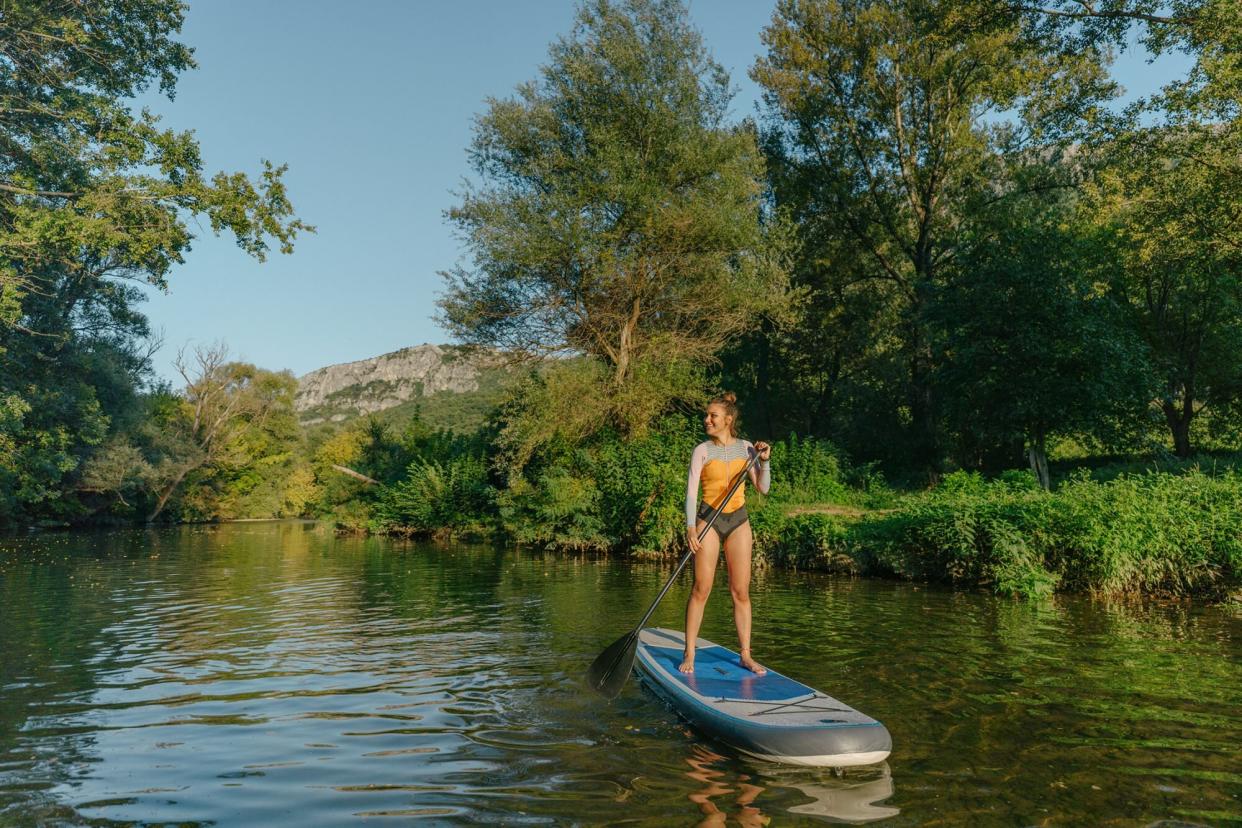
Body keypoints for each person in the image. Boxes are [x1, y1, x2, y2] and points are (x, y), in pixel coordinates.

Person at [680, 391, 771, 675]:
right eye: (707, 416)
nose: (707, 420)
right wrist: (690, 527)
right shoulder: (702, 450)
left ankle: (745, 654)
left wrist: (764, 460)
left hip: (738, 522)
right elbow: (691, 493)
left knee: (740, 592)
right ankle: (690, 652)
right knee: (701, 588)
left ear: (728, 420)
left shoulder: (747, 448)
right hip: (708, 521)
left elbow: (763, 488)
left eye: (712, 416)